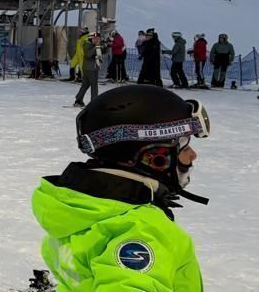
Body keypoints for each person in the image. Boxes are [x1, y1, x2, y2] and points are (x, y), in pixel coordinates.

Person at [33, 85, 209, 291]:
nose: (192, 155)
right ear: (154, 157)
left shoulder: (78, 207)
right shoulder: (140, 229)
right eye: (184, 146)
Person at [73, 31, 102, 107]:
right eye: (95, 38)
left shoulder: (92, 44)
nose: (97, 40)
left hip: (91, 67)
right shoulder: (86, 44)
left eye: (98, 38)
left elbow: (100, 53)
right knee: (94, 85)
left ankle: (78, 100)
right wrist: (96, 47)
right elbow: (88, 54)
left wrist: (104, 46)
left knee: (85, 85)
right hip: (90, 68)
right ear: (91, 38)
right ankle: (94, 102)